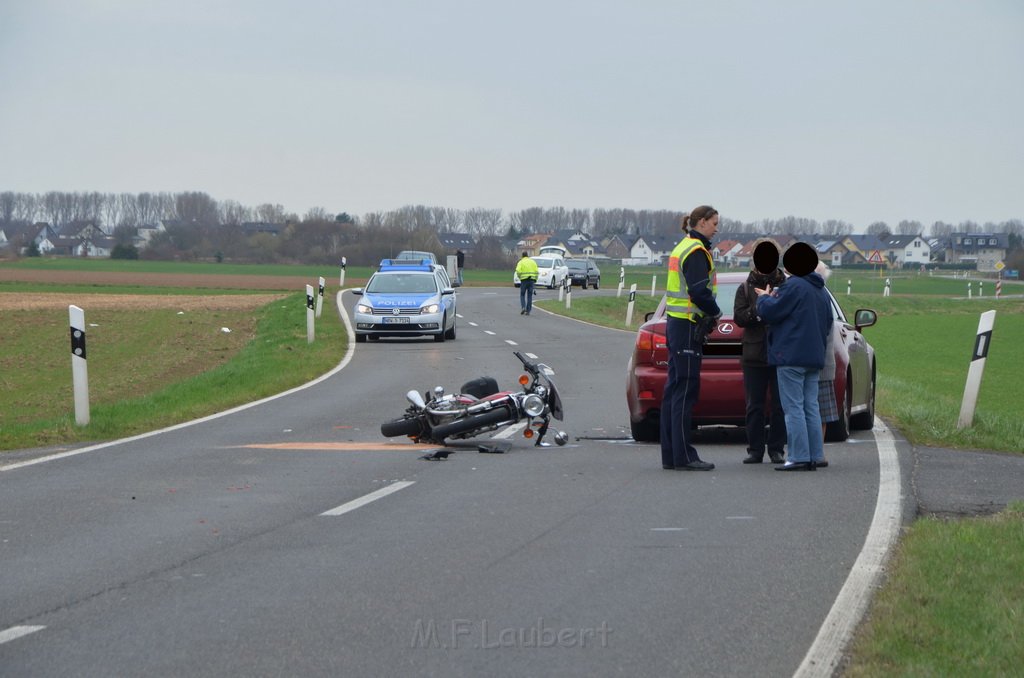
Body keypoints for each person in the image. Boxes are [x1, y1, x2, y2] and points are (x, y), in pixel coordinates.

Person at [754, 242, 833, 471]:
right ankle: (816, 455)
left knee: (793, 408)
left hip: (791, 356)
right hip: (813, 356)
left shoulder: (794, 286)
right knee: (811, 407)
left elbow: (771, 311)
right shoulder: (821, 291)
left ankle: (798, 456)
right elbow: (828, 323)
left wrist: (764, 298)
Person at [659, 205, 721, 471]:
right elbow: (698, 291)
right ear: (702, 222)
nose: (717, 228)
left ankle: (672, 455)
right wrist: (716, 312)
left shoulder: (683, 246)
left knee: (674, 391)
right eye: (715, 223)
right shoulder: (696, 251)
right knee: (684, 391)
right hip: (686, 325)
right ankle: (684, 456)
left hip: (677, 324)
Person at [733, 240, 787, 464]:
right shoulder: (745, 287)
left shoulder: (785, 286)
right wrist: (760, 308)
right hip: (753, 355)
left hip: (780, 353)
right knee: (754, 406)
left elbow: (787, 314)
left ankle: (776, 449)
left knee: (779, 406)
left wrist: (770, 307)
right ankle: (754, 450)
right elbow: (739, 317)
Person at [815, 261, 836, 468]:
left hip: (816, 362)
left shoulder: (817, 297)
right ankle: (818, 451)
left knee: (813, 410)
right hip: (823, 362)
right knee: (820, 411)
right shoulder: (824, 296)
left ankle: (814, 451)